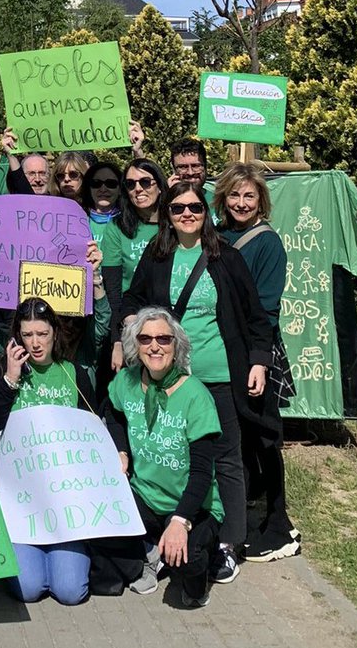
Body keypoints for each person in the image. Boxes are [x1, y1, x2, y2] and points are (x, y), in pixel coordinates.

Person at [121, 181, 273, 587]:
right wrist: (126, 335)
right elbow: (133, 301)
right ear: (167, 216)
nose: (187, 214)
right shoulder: (156, 257)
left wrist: (258, 362)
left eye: (195, 207)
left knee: (226, 459)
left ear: (206, 212)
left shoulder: (226, 257)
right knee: (177, 456)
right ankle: (176, 530)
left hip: (220, 376)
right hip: (171, 379)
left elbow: (257, 317)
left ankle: (229, 542)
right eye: (178, 209)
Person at [0, 298, 107, 605]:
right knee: (29, 589)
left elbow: (93, 430)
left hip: (65, 500)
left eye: (42, 334)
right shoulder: (7, 371)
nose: (36, 343)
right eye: (28, 335)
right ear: (17, 336)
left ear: (55, 333)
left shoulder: (73, 373)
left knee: (70, 592)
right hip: (23, 501)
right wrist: (10, 377)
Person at [103, 308, 225, 608]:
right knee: (100, 523)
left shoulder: (196, 396)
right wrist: (121, 449)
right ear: (136, 345)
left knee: (189, 575)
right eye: (145, 339)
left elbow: (200, 473)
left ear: (176, 345)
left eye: (163, 339)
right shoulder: (128, 380)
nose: (154, 346)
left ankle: (205, 557)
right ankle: (149, 556)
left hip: (193, 506)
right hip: (145, 496)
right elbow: (112, 411)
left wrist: (180, 522)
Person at [214, 163, 300, 562]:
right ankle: (246, 516)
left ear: (261, 200)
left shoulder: (267, 244)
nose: (241, 203)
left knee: (265, 436)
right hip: (222, 350)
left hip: (255, 351)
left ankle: (279, 526)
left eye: (249, 196)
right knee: (239, 439)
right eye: (234, 194)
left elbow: (267, 308)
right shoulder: (215, 235)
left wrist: (259, 361)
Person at [101, 157, 169, 370]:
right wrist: (118, 340)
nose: (138, 189)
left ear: (159, 185)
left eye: (145, 182)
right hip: (132, 326)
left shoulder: (175, 223)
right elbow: (113, 290)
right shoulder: (117, 228)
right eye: (130, 184)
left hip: (171, 325)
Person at [81, 161, 122, 242]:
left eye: (111, 183)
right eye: (96, 183)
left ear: (120, 189)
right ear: (89, 188)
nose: (103, 189)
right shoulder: (78, 220)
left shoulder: (130, 222)